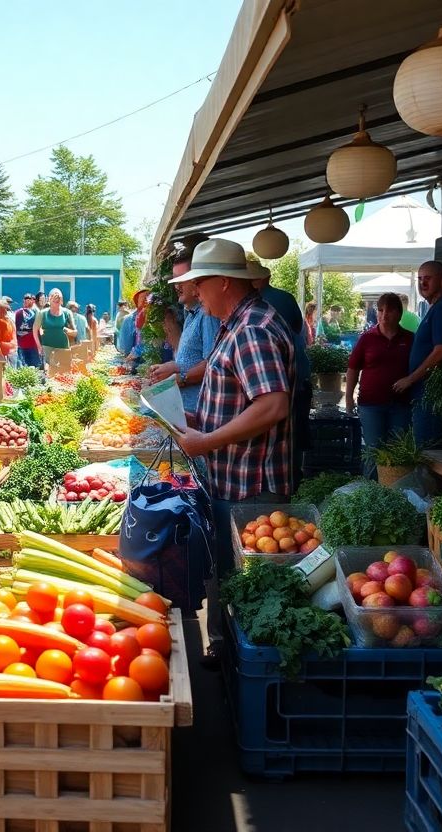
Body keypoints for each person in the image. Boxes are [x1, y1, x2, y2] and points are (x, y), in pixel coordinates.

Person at [171, 239, 293, 662]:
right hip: (233, 480)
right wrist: (196, 424)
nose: (195, 293)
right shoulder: (235, 324)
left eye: (199, 283)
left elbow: (273, 404)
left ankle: (241, 676)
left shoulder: (254, 329)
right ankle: (228, 664)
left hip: (251, 488)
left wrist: (205, 440)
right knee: (231, 581)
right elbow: (241, 399)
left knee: (248, 591)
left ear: (224, 282)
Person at [251, 261, 311, 493]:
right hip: (298, 373)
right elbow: (297, 327)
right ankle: (294, 480)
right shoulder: (285, 298)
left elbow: (271, 407)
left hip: (279, 379)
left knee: (279, 432)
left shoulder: (257, 312)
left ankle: (288, 483)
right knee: (292, 432)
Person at [394, 261, 442, 449]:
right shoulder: (435, 307)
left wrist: (410, 379)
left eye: (428, 278)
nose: (422, 284)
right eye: (419, 279)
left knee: (431, 456)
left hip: (435, 397)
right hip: (427, 395)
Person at [346, 293, 414, 476]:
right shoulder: (367, 338)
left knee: (398, 451)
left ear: (399, 313)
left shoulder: (410, 339)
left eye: (390, 311)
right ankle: (370, 492)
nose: (384, 315)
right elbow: (352, 369)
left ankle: (396, 492)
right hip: (370, 405)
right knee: (373, 451)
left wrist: (410, 380)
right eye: (381, 310)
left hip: (401, 405)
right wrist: (348, 399)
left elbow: (421, 368)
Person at [148, 243, 221, 415]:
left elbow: (212, 364)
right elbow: (192, 358)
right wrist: (171, 366)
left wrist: (180, 378)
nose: (176, 285)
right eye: (175, 280)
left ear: (197, 281)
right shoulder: (190, 313)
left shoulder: (207, 314)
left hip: (198, 411)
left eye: (182, 279)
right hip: (186, 408)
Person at [33, 288, 76, 366]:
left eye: (58, 299)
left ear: (62, 301)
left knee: (64, 372)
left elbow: (75, 332)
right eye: (54, 299)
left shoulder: (67, 313)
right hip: (47, 347)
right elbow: (35, 330)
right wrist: (39, 346)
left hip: (63, 347)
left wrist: (68, 331)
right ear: (49, 300)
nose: (56, 301)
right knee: (48, 373)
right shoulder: (42, 313)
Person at [14, 293, 41, 369]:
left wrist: (40, 345)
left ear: (33, 301)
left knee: (35, 367)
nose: (27, 301)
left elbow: (40, 329)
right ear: (23, 300)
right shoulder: (18, 313)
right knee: (23, 368)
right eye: (26, 299)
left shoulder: (37, 313)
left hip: (33, 345)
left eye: (30, 299)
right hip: (21, 345)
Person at [0, 298, 17, 366]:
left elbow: (13, 334)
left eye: (7, 310)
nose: (6, 312)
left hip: (7, 353)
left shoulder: (8, 321)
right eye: (4, 309)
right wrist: (11, 345)